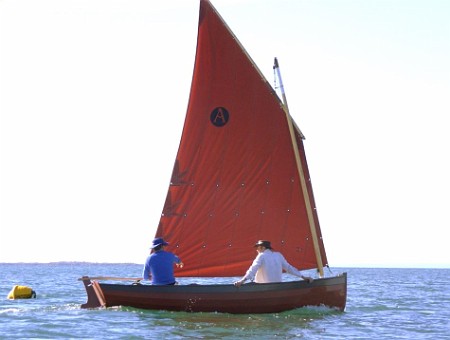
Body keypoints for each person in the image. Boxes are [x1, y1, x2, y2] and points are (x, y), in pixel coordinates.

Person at [234, 240, 313, 287]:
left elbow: (252, 270)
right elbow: (289, 268)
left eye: (258, 248)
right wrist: (303, 277)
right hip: (277, 287)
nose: (257, 250)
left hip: (262, 288)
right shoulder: (279, 255)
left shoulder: (261, 256)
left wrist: (242, 281)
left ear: (263, 248)